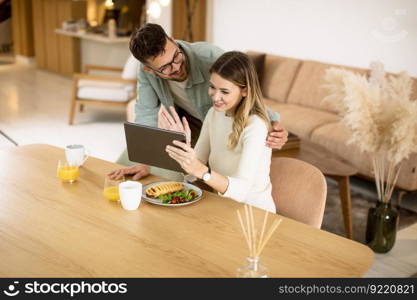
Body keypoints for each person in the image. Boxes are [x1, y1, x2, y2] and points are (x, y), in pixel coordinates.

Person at [108, 23, 288, 181]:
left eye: (176, 56)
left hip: (222, 126)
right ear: (150, 70)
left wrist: (273, 123)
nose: (177, 67)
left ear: (172, 39)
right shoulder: (146, 74)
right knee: (130, 163)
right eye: (166, 68)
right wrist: (144, 161)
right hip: (189, 125)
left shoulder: (210, 56)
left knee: (172, 176)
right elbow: (146, 113)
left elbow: (248, 89)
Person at [164, 51, 275, 212]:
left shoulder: (255, 126)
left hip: (254, 214)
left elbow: (241, 191)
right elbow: (197, 162)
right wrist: (181, 144)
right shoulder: (215, 113)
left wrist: (203, 172)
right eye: (212, 87)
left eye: (224, 91)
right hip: (225, 208)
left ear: (245, 91)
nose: (215, 97)